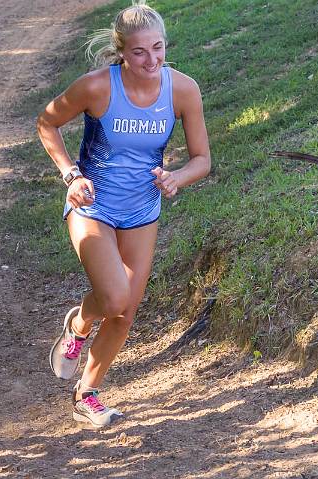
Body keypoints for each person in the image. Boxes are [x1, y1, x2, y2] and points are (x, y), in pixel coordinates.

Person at [37, 1, 210, 428]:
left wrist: (177, 178)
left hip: (142, 209)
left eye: (158, 48)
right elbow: (46, 123)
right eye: (139, 52)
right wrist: (70, 174)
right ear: (121, 52)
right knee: (113, 297)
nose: (151, 60)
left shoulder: (182, 89)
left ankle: (87, 394)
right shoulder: (97, 87)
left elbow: (202, 159)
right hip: (92, 205)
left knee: (126, 310)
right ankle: (79, 324)